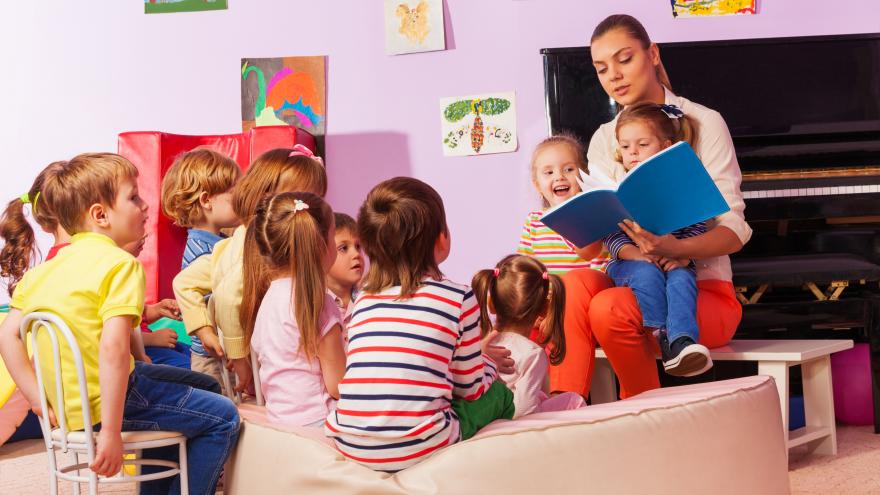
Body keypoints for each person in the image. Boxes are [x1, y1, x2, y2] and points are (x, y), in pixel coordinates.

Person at [0, 153, 239, 494]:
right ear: (100, 215)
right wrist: (110, 432)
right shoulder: (119, 264)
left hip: (73, 401)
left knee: (206, 385)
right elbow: (113, 349)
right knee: (224, 416)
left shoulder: (41, 273)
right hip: (111, 399)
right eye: (133, 197)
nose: (144, 205)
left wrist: (39, 399)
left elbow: (8, 337)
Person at [552, 14, 751, 399]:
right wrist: (581, 220)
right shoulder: (604, 138)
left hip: (696, 287)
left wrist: (674, 248)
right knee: (571, 283)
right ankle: (564, 408)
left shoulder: (703, 123)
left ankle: (644, 415)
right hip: (628, 273)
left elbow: (734, 231)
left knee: (610, 308)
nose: (614, 75)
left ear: (652, 54)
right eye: (601, 68)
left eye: (624, 59)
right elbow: (591, 250)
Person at [325, 177, 514, 473]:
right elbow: (471, 389)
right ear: (441, 239)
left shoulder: (363, 300)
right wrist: (488, 364)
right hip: (420, 444)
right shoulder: (458, 296)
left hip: (349, 441)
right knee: (500, 395)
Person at [603, 101, 712, 377]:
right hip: (629, 262)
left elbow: (697, 227)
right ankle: (660, 334)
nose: (633, 153)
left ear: (665, 146)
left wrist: (684, 256)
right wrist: (637, 254)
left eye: (642, 144)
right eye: (626, 147)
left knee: (683, 278)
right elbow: (612, 238)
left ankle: (682, 341)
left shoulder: (680, 186)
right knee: (647, 274)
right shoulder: (619, 189)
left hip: (672, 258)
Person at [243, 193, 346, 427]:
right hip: (321, 426)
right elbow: (339, 386)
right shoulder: (318, 302)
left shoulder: (268, 301)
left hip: (282, 425)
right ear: (320, 245)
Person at [472, 254, 585, 418]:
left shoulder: (482, 344)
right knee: (573, 400)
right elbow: (524, 411)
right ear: (545, 308)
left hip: (482, 418)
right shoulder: (532, 354)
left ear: (491, 304)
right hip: (510, 423)